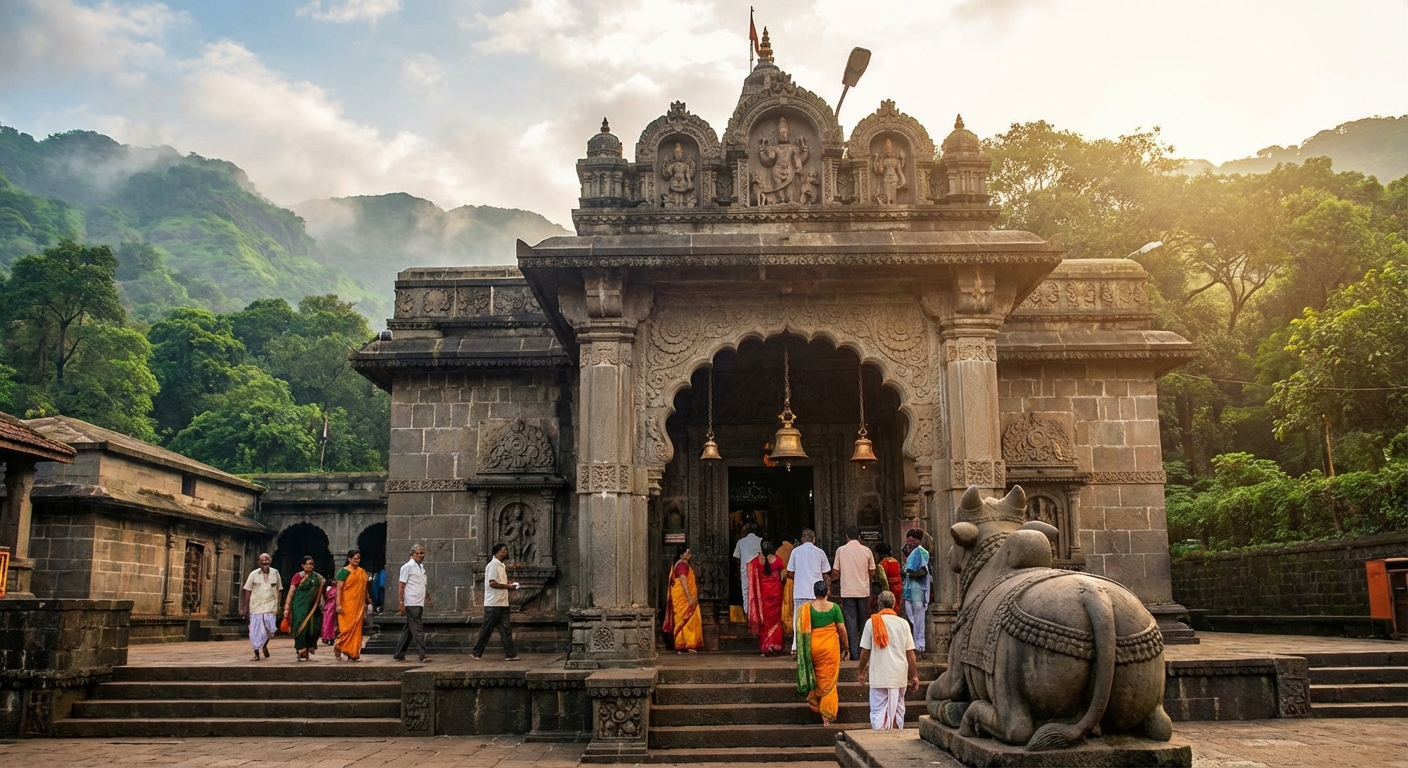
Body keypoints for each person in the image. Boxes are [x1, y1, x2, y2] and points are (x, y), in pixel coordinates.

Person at [858, 591, 919, 730]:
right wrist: (914, 675)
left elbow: (865, 652)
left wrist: (861, 671)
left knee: (878, 712)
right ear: (894, 605)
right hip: (898, 676)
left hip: (879, 676)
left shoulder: (871, 623)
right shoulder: (903, 624)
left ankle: (881, 738)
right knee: (896, 710)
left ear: (879, 605)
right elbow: (910, 653)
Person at [796, 579, 848, 726]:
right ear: (828, 592)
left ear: (814, 593)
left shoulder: (808, 609)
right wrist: (846, 647)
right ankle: (826, 715)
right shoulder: (835, 608)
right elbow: (842, 630)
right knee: (830, 681)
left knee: (818, 676)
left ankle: (815, 700)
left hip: (814, 647)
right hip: (830, 648)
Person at [832, 524, 876, 660]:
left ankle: (854, 653)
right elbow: (872, 570)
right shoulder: (867, 551)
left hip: (848, 591)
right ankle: (864, 652)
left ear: (847, 537)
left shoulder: (841, 550)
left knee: (850, 623)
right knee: (863, 621)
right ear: (859, 537)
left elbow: (836, 571)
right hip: (863, 591)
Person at [472, 542, 520, 660]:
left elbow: (499, 582)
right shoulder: (493, 565)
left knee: (506, 629)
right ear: (497, 552)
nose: (505, 553)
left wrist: (509, 584)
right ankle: (476, 652)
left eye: (506, 550)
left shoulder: (500, 566)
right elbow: (492, 583)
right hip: (493, 603)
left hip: (502, 602)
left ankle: (510, 654)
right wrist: (508, 587)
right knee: (487, 628)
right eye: (502, 550)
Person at [786, 529, 830, 652]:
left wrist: (800, 577)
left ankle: (796, 647)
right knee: (816, 619)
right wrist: (827, 588)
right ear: (814, 539)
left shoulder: (795, 551)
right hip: (817, 593)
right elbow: (826, 573)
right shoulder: (820, 552)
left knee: (798, 619)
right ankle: (815, 646)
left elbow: (789, 573)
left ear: (802, 539)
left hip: (800, 592)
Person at [239, 553, 281, 661]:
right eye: (262, 560)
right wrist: (245, 607)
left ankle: (264, 645)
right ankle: (256, 653)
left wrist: (278, 604)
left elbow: (279, 589)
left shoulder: (275, 573)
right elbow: (247, 590)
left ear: (270, 561)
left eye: (267, 559)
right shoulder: (253, 574)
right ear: (259, 562)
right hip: (256, 606)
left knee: (271, 628)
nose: (265, 562)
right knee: (255, 630)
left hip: (270, 605)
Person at [394, 544, 431, 663]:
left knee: (409, 629)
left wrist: (428, 598)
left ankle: (399, 653)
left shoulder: (421, 568)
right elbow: (401, 585)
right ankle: (422, 654)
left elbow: (422, 585)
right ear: (412, 554)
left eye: (423, 553)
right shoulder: (407, 567)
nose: (421, 555)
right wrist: (401, 602)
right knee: (417, 629)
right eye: (419, 553)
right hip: (411, 602)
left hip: (419, 602)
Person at [748, 540, 786, 656]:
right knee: (775, 620)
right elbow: (783, 576)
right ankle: (775, 645)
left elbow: (749, 568)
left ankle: (766, 647)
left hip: (763, 596)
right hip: (776, 594)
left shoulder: (757, 561)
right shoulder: (778, 560)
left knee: (765, 621)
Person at [283, 555, 324, 661]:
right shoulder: (298, 576)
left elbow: (321, 591)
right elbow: (291, 592)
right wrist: (287, 607)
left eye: (312, 564)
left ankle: (308, 647)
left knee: (313, 629)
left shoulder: (317, 577)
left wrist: (322, 605)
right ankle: (301, 650)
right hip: (299, 606)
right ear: (303, 565)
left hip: (312, 608)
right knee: (300, 629)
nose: (310, 566)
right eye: (308, 564)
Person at [333, 549, 372, 661]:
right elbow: (339, 589)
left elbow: (364, 588)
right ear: (349, 559)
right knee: (346, 630)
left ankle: (352, 653)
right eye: (354, 558)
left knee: (356, 630)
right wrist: (338, 604)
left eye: (358, 558)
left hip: (358, 606)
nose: (356, 560)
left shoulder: (362, 572)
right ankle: (339, 645)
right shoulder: (343, 571)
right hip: (346, 606)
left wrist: (367, 599)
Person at [663, 546, 702, 653]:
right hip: (683, 597)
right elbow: (683, 580)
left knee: (681, 619)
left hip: (679, 596)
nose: (690, 555)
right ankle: (688, 644)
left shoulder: (679, 564)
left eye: (690, 553)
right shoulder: (682, 565)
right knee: (688, 619)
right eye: (687, 553)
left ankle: (681, 645)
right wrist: (689, 596)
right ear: (681, 555)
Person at [902, 528, 931, 652]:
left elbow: (923, 570)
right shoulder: (913, 552)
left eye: (911, 541)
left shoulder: (921, 552)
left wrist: (909, 573)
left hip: (918, 589)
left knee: (918, 619)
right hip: (910, 590)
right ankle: (914, 644)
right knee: (912, 616)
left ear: (917, 540)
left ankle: (919, 646)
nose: (909, 543)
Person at [731, 523, 762, 624]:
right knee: (758, 591)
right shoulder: (760, 540)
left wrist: (738, 572)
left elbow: (737, 559)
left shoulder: (741, 542)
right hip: (758, 570)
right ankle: (759, 615)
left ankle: (749, 615)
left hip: (745, 569)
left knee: (746, 591)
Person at [875, 543, 904, 614]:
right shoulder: (895, 561)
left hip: (890, 587)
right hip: (899, 586)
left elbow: (882, 580)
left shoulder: (882, 564)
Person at [775, 538, 794, 637]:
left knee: (786, 605)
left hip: (785, 582)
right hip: (793, 581)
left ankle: (786, 627)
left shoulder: (779, 551)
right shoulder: (794, 551)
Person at [320, 579, 338, 646]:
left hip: (330, 608)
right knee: (329, 624)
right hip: (330, 608)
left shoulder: (332, 590)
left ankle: (329, 638)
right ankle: (328, 638)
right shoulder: (331, 589)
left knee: (329, 624)